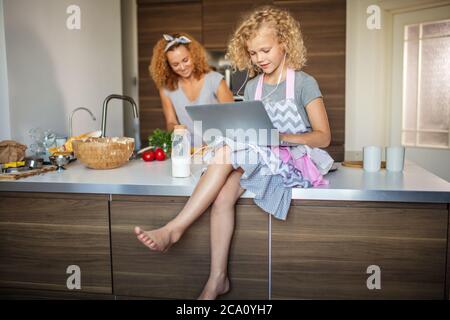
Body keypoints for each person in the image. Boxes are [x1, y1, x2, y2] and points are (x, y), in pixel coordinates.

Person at [135, 6, 332, 300]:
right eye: (252, 53)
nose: (258, 59)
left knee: (228, 151)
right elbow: (249, 131)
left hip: (293, 157)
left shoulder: (303, 83)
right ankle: (218, 279)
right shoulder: (253, 86)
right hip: (260, 154)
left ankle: (175, 229)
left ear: (285, 44)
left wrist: (280, 137)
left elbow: (324, 137)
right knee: (223, 197)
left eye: (265, 50)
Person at [149, 32, 234, 146]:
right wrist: (177, 131)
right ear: (168, 65)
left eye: (185, 60)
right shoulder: (166, 89)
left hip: (219, 148)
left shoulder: (215, 80)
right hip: (189, 149)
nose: (183, 67)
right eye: (175, 64)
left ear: (193, 55)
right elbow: (171, 122)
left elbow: (232, 117)